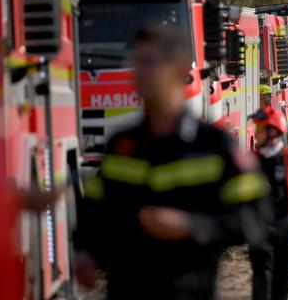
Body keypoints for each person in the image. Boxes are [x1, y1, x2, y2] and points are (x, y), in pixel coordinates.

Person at [74, 26, 271, 299]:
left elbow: (255, 217)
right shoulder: (122, 144)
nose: (137, 72)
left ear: (179, 71)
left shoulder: (213, 146)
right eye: (135, 62)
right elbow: (95, 211)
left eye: (149, 62)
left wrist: (192, 227)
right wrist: (85, 252)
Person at [250, 105, 288, 300]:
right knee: (262, 282)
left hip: (285, 229)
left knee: (282, 285)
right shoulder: (250, 161)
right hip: (260, 231)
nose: (255, 133)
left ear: (272, 132)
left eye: (259, 129)